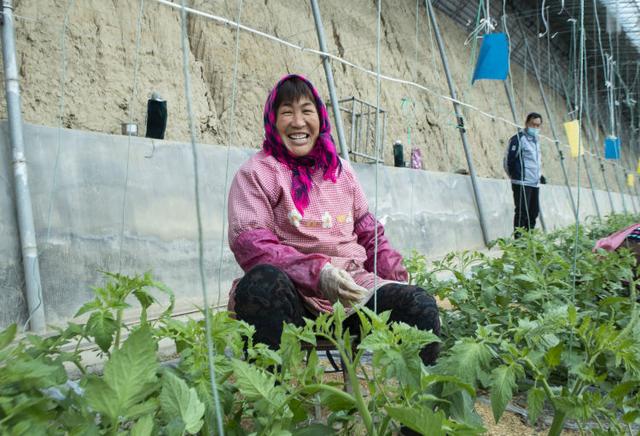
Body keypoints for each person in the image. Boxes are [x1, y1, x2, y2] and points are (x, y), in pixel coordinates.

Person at [226, 74, 440, 365]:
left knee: (419, 306)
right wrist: (318, 273)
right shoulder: (257, 173)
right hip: (294, 299)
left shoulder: (341, 171)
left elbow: (368, 233)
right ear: (273, 121)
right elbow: (252, 246)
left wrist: (397, 277)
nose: (298, 122)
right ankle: (269, 401)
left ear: (320, 117)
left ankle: (415, 402)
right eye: (287, 112)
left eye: (307, 111)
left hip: (352, 293)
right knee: (260, 285)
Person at [504, 112, 546, 237]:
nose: (535, 128)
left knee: (533, 212)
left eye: (538, 125)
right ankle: (519, 242)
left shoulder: (536, 141)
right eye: (533, 124)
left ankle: (528, 239)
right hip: (522, 182)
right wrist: (515, 176)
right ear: (527, 123)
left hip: (534, 182)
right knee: (522, 212)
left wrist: (540, 175)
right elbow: (508, 160)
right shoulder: (518, 139)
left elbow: (535, 161)